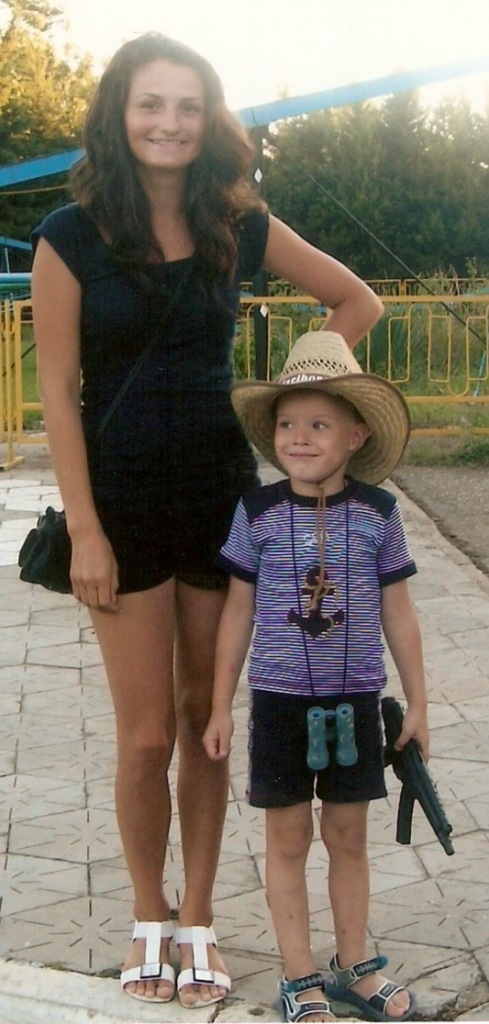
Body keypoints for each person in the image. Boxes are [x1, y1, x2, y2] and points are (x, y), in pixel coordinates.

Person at [30, 30, 384, 1008]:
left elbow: (355, 301)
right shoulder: (69, 236)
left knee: (205, 724)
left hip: (222, 503)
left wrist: (298, 391)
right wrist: (85, 528)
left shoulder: (238, 223)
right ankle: (147, 911)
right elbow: (57, 392)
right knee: (147, 735)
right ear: (120, 114)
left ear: (207, 117)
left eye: (188, 106)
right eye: (151, 104)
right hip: (121, 509)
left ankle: (197, 915)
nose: (169, 123)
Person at [203, 330, 428, 1023]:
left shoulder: (379, 515)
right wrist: (220, 705)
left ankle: (353, 966)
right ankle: (297, 974)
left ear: (356, 436)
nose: (299, 438)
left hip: (355, 703)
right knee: (288, 839)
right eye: (287, 425)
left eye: (319, 425)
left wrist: (419, 703)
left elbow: (398, 611)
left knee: (348, 837)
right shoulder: (257, 513)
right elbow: (237, 611)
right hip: (277, 706)